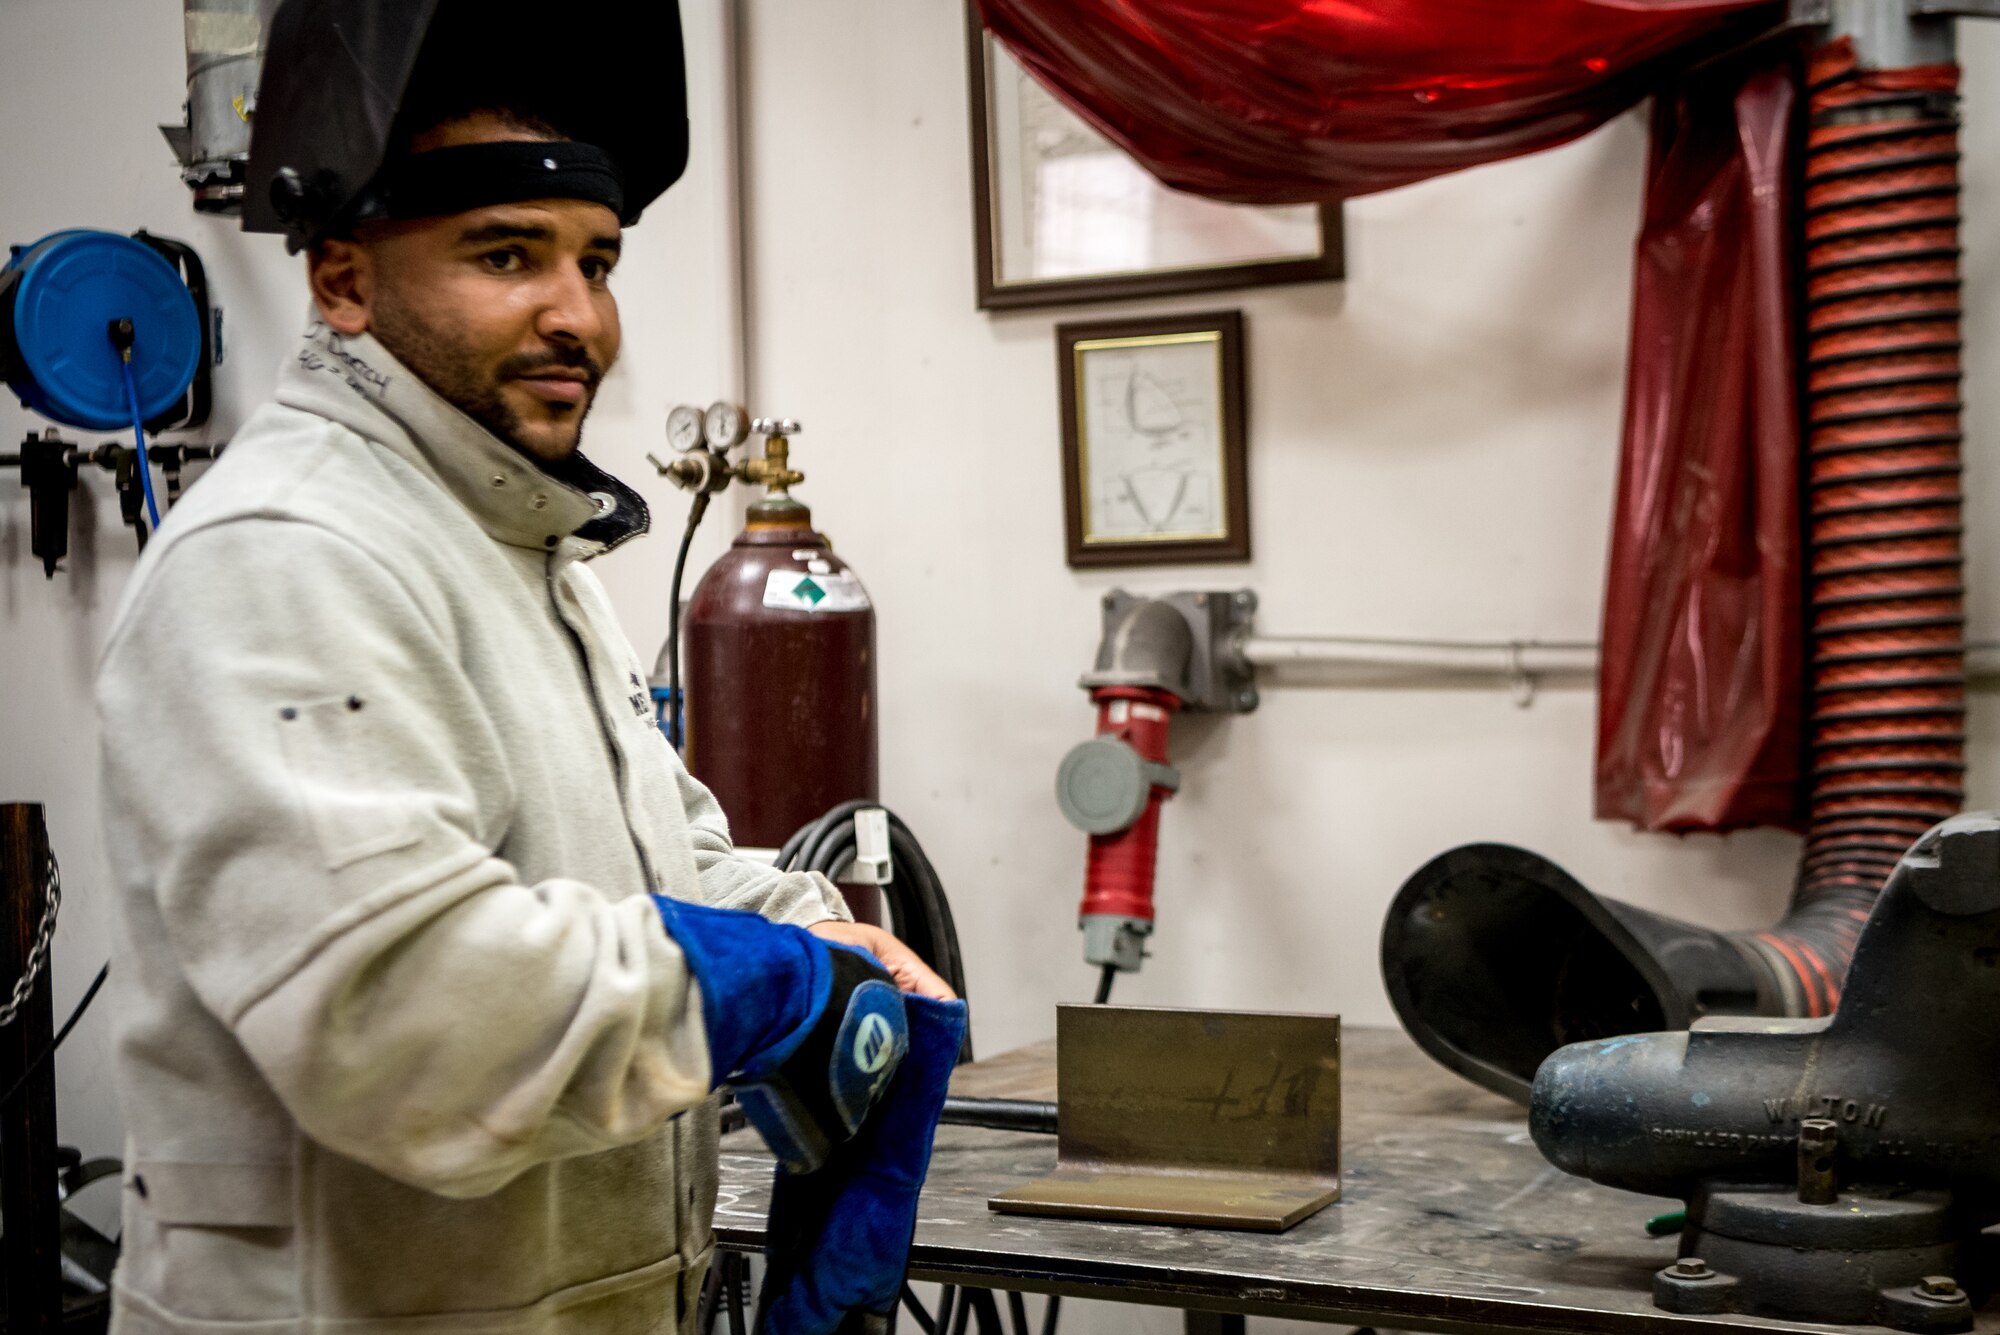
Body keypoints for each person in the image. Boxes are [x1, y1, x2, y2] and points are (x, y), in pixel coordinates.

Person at [94, 5, 954, 1332]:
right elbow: (411, 1021)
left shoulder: (517, 547)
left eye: (595, 261)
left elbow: (660, 868)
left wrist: (826, 938)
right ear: (344, 281)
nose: (580, 319)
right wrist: (767, 989)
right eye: (508, 256)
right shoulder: (283, 558)